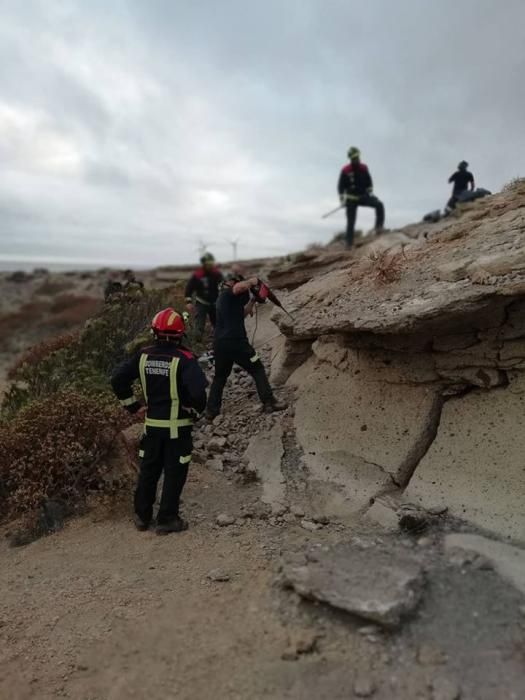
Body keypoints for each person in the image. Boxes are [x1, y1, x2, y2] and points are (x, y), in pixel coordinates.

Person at [111, 308, 208, 534]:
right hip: (177, 430)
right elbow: (199, 394)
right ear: (179, 333)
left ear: (154, 331)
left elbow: (117, 379)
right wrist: (193, 411)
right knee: (175, 473)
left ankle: (142, 516)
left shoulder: (143, 355)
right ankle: (167, 519)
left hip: (152, 428)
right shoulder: (185, 359)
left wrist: (133, 406)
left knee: (149, 471)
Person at [206, 268, 287, 419]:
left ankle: (211, 411)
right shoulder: (229, 292)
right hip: (237, 342)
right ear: (231, 282)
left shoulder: (223, 300)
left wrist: (252, 301)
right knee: (257, 368)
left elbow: (240, 315)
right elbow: (239, 287)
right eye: (236, 282)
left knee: (220, 377)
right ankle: (269, 402)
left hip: (220, 345)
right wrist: (253, 281)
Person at [337, 147, 385, 248]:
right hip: (351, 200)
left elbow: (369, 182)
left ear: (359, 156)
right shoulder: (345, 170)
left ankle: (379, 228)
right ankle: (349, 244)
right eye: (353, 158)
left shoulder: (364, 168)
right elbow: (340, 186)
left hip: (363, 197)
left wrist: (370, 192)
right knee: (351, 221)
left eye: (357, 157)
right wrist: (342, 200)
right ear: (350, 158)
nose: (356, 160)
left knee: (379, 205)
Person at [185, 253, 224, 341]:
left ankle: (220, 341)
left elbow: (224, 286)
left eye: (211, 263)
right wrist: (188, 302)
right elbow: (189, 289)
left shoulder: (217, 274)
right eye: (208, 263)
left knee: (218, 324)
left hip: (215, 303)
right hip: (201, 303)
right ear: (204, 264)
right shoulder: (197, 275)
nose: (210, 265)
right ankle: (197, 343)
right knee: (199, 325)